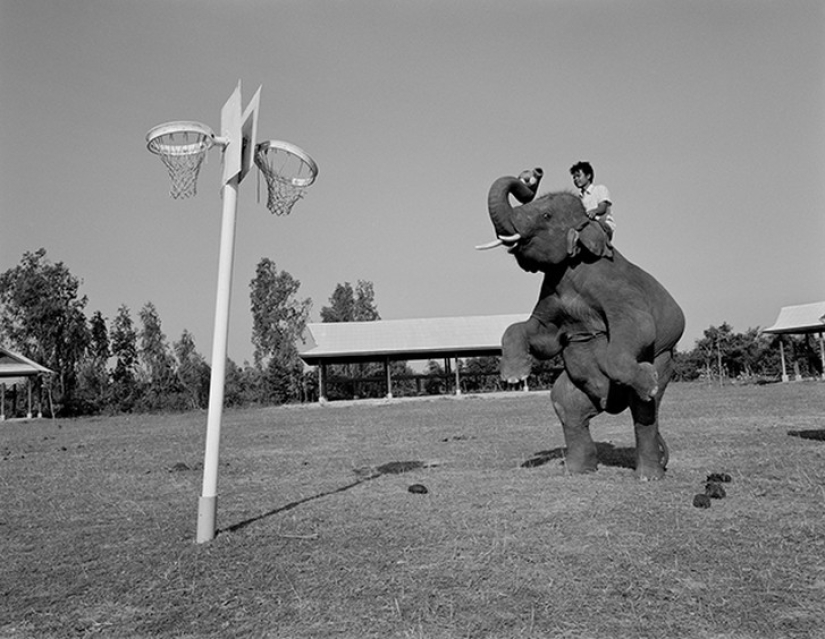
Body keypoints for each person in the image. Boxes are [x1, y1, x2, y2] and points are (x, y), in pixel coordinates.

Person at [569, 161, 615, 240]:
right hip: (585, 227)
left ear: (588, 176)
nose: (576, 179)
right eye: (574, 177)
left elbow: (602, 207)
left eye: (578, 176)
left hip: (601, 225)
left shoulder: (600, 189)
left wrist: (594, 212)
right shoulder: (578, 199)